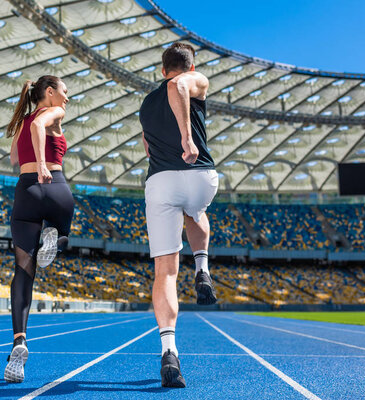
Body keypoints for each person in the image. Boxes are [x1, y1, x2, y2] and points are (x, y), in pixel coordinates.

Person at [139, 42, 219, 388]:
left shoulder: (146, 103)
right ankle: (202, 268)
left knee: (165, 273)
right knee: (196, 210)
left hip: (160, 181)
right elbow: (178, 85)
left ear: (161, 69)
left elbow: (146, 144)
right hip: (199, 174)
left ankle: (169, 350)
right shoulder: (193, 80)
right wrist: (188, 138)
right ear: (192, 65)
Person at [3, 75, 74, 383]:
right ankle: (54, 243)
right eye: (64, 92)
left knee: (23, 271)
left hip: (26, 192)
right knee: (64, 236)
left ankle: (19, 340)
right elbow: (38, 126)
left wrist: (34, 164)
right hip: (55, 185)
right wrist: (45, 164)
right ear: (49, 92)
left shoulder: (20, 122)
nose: (67, 99)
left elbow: (15, 158)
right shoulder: (54, 113)